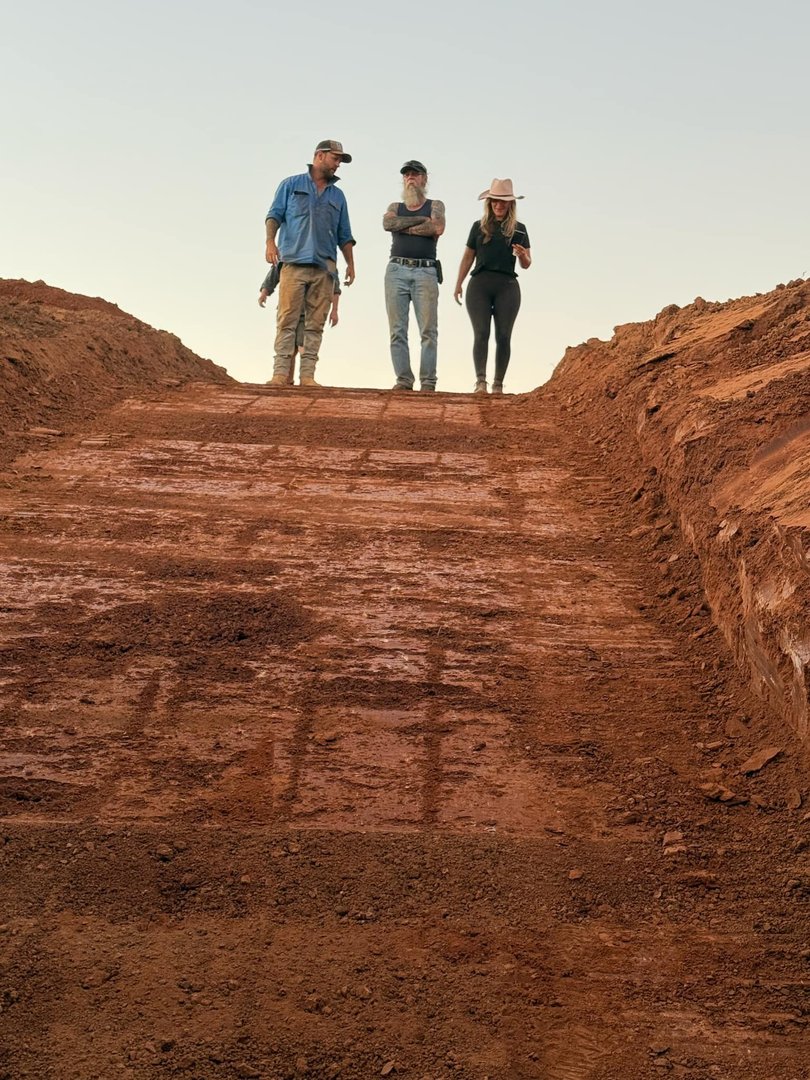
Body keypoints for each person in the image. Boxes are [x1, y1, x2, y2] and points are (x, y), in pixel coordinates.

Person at [264, 139, 356, 388]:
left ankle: (308, 377)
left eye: (339, 160)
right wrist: (270, 242)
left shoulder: (338, 196)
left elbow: (344, 233)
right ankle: (280, 374)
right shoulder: (291, 185)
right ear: (319, 156)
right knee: (287, 320)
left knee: (315, 325)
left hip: (325, 267)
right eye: (335, 158)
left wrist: (350, 263)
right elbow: (274, 215)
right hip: (293, 262)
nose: (338, 164)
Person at [454, 178, 531, 395]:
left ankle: (498, 384)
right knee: (481, 333)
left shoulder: (520, 230)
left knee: (504, 335)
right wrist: (458, 283)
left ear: (510, 204)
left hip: (507, 285)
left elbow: (527, 264)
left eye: (503, 202)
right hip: (479, 284)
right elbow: (468, 257)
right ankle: (481, 382)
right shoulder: (478, 227)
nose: (498, 205)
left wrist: (523, 255)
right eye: (495, 201)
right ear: (489, 202)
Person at [383, 160, 446, 392]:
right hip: (396, 270)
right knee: (397, 330)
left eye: (415, 174)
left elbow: (437, 228)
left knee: (428, 330)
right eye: (407, 175)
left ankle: (428, 383)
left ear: (424, 179)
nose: (410, 178)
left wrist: (404, 227)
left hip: (425, 270)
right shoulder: (395, 206)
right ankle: (404, 380)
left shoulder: (435, 205)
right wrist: (420, 222)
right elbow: (387, 223)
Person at [259, 266, 341, 385]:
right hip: (289, 311)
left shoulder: (326, 260)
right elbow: (273, 276)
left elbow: (335, 289)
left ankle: (306, 377)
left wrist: (334, 310)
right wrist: (264, 293)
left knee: (303, 344)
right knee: (288, 344)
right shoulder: (289, 255)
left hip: (308, 313)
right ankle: (286, 377)